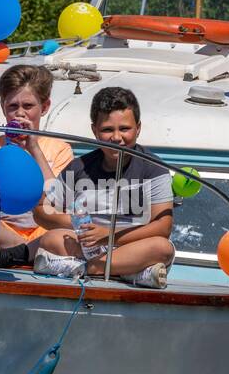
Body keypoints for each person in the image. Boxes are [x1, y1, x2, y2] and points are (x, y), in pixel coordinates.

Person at [32, 86, 175, 289]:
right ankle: (129, 272)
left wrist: (109, 233)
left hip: (131, 244)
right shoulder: (79, 167)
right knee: (50, 239)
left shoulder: (154, 169)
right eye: (107, 130)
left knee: (162, 248)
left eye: (124, 129)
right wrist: (78, 223)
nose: (117, 138)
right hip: (88, 245)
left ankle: (84, 269)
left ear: (138, 128)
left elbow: (163, 227)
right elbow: (41, 211)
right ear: (94, 131)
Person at [0, 64, 76, 267]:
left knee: (69, 231)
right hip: (0, 233)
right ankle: (24, 251)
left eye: (28, 106)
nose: (20, 114)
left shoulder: (60, 149)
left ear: (44, 107)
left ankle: (19, 252)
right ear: (3, 107)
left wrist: (34, 148)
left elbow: (60, 202)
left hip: (43, 234)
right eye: (12, 106)